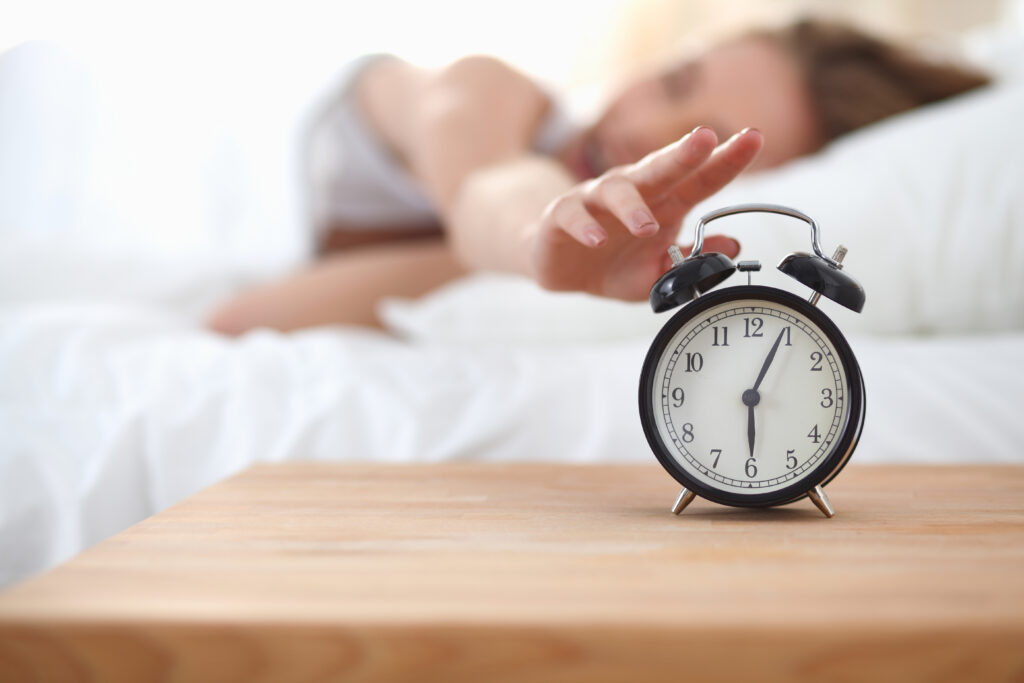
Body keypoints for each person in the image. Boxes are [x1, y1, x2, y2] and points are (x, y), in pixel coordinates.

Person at [206, 18, 989, 334]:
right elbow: (490, 190)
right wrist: (540, 232)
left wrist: (559, 249)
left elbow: (249, 319)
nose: (644, 131)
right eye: (675, 83)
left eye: (699, 147)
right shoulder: (485, 91)